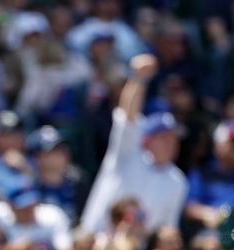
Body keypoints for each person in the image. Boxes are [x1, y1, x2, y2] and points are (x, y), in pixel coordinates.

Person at [80, 54, 187, 235]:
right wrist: (138, 79)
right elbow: (127, 116)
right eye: (164, 138)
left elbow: (167, 229)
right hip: (95, 243)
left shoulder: (178, 181)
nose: (170, 144)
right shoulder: (128, 151)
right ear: (148, 140)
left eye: (173, 138)